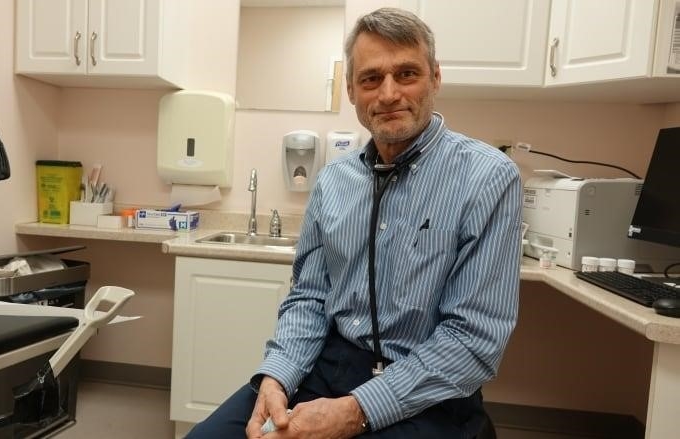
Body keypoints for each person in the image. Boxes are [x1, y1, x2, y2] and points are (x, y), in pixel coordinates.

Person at [186, 7, 522, 438]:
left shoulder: (488, 177)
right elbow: (308, 298)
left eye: (406, 74)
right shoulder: (333, 181)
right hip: (329, 368)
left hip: (429, 389)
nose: (387, 94)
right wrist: (277, 378)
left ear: (435, 78)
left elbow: (473, 341)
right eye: (370, 79)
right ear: (350, 90)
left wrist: (355, 411)